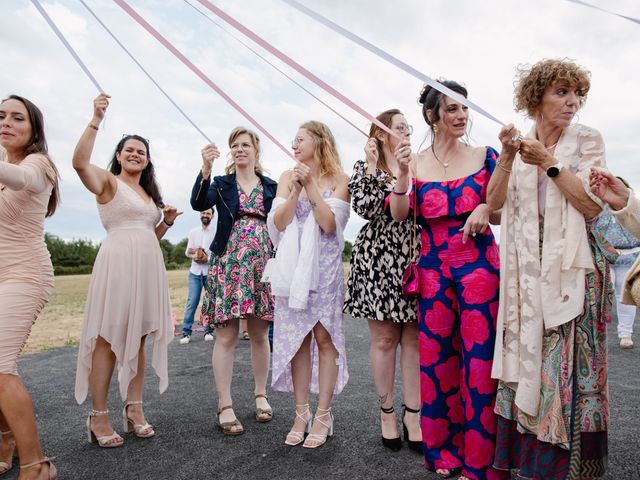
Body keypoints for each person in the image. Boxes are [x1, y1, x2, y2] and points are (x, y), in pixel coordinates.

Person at [487, 59, 612, 479]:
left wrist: (549, 163)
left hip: (571, 273)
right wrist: (507, 156)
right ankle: (525, 463)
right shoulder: (521, 146)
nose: (572, 102)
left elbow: (592, 206)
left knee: (560, 369)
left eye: (577, 93)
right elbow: (494, 207)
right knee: (527, 364)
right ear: (535, 98)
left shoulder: (587, 141)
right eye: (561, 92)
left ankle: (566, 469)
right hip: (524, 275)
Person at [389, 82, 507, 480]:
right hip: (433, 267)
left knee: (479, 361)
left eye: (464, 109)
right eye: (452, 109)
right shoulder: (416, 161)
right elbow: (401, 214)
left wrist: (485, 205)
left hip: (478, 265)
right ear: (432, 116)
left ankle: (482, 461)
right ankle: (443, 452)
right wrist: (404, 174)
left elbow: (501, 212)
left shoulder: (485, 156)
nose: (461, 116)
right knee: (437, 358)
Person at [74, 94, 179, 448]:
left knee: (140, 337)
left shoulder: (149, 192)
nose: (135, 155)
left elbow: (149, 235)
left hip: (148, 265)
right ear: (118, 155)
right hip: (117, 263)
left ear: (148, 161)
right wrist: (95, 120)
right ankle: (98, 415)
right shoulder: (107, 182)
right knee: (108, 337)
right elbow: (78, 163)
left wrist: (164, 223)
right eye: (129, 150)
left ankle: (134, 409)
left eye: (141, 152)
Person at [268, 121, 350, 449]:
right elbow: (279, 222)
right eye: (293, 140)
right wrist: (296, 189)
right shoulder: (287, 178)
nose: (294, 144)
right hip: (292, 268)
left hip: (325, 266)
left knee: (323, 336)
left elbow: (330, 224)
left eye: (300, 139)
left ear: (319, 141)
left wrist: (312, 186)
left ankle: (323, 414)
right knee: (299, 340)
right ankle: (300, 413)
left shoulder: (341, 180)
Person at [343, 109, 421, 452]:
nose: (405, 131)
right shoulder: (366, 166)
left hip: (416, 256)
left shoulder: (421, 163)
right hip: (378, 259)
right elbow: (366, 206)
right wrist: (373, 166)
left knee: (415, 341)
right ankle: (387, 411)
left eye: (408, 126)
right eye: (399, 126)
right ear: (381, 133)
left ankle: (414, 413)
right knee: (386, 340)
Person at [190, 126, 277, 435]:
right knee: (226, 336)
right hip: (229, 262)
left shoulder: (270, 185)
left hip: (262, 263)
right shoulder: (222, 183)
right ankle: (225, 404)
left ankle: (260, 395)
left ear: (256, 149)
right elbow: (199, 203)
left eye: (245, 144)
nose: (240, 149)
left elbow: (281, 219)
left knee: (259, 333)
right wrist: (205, 168)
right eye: (235, 145)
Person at [0, 95, 59, 479]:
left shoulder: (39, 164)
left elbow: (23, 179)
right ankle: (7, 438)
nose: (6, 121)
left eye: (16, 117)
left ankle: (37, 466)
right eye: (0, 116)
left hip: (26, 273)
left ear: (33, 129)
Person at [594, 208, 638, 349]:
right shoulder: (599, 208)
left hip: (630, 256)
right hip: (604, 256)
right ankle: (596, 333)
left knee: (624, 295)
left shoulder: (632, 206)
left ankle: (626, 334)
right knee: (601, 292)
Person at [179, 208, 217, 345]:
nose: (205, 215)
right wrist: (195, 253)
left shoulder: (216, 232)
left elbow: (219, 252)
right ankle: (186, 333)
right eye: (203, 213)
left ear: (212, 216)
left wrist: (207, 257)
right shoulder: (193, 232)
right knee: (192, 302)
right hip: (195, 271)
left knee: (210, 302)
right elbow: (187, 252)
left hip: (209, 272)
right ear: (200, 215)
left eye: (208, 213)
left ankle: (209, 331)